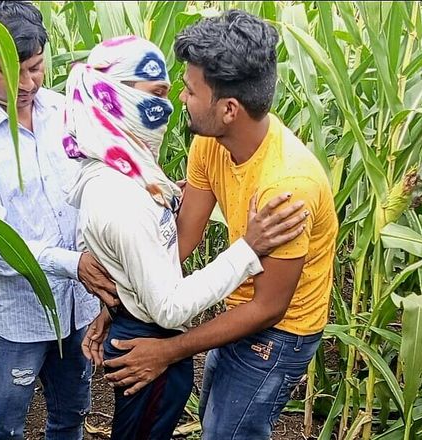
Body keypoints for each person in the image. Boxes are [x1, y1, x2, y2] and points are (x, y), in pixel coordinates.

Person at [102, 10, 339, 439]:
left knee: (227, 433)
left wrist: (169, 351)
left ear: (229, 109)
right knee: (216, 423)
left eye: (191, 91)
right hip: (239, 305)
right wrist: (116, 300)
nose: (180, 96)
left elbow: (270, 307)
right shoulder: (208, 144)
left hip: (280, 333)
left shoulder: (287, 188)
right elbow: (181, 241)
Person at [0, 2, 117, 439]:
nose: (28, 84)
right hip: (15, 318)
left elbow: (98, 180)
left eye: (35, 68)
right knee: (3, 428)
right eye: (11, 72)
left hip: (79, 309)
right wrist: (73, 264)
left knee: (71, 415)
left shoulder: (65, 112)